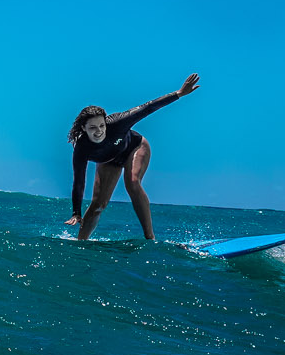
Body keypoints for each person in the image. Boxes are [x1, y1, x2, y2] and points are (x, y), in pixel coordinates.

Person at [65, 73, 200, 240]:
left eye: (101, 125)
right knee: (98, 204)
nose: (99, 131)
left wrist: (179, 93)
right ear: (84, 128)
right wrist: (76, 213)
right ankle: (81, 243)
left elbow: (148, 107)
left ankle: (150, 238)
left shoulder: (118, 122)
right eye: (92, 128)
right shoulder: (81, 147)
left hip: (135, 147)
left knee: (133, 182)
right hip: (110, 161)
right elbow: (79, 181)